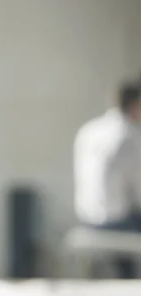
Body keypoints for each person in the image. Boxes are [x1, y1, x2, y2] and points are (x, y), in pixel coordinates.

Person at [74, 78, 141, 278]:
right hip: (117, 221)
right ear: (135, 105)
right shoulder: (127, 135)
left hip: (87, 216)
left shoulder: (89, 130)